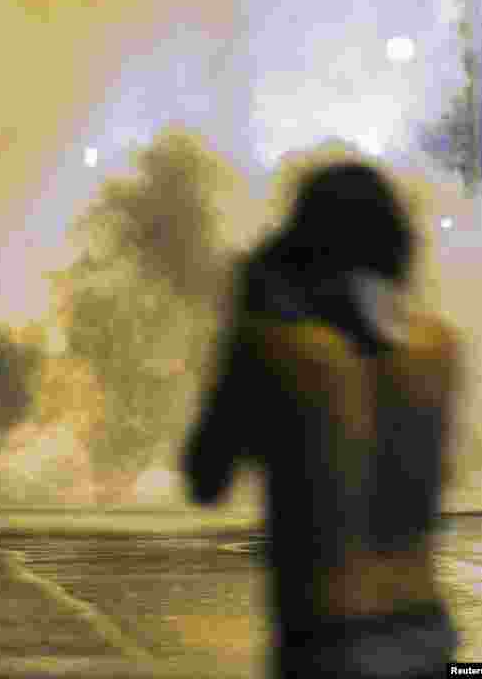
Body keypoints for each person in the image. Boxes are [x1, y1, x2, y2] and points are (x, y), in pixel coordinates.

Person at [182, 162, 461, 678]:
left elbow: (205, 478)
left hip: (329, 641)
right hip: (429, 633)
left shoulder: (273, 347)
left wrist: (245, 316)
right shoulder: (439, 347)